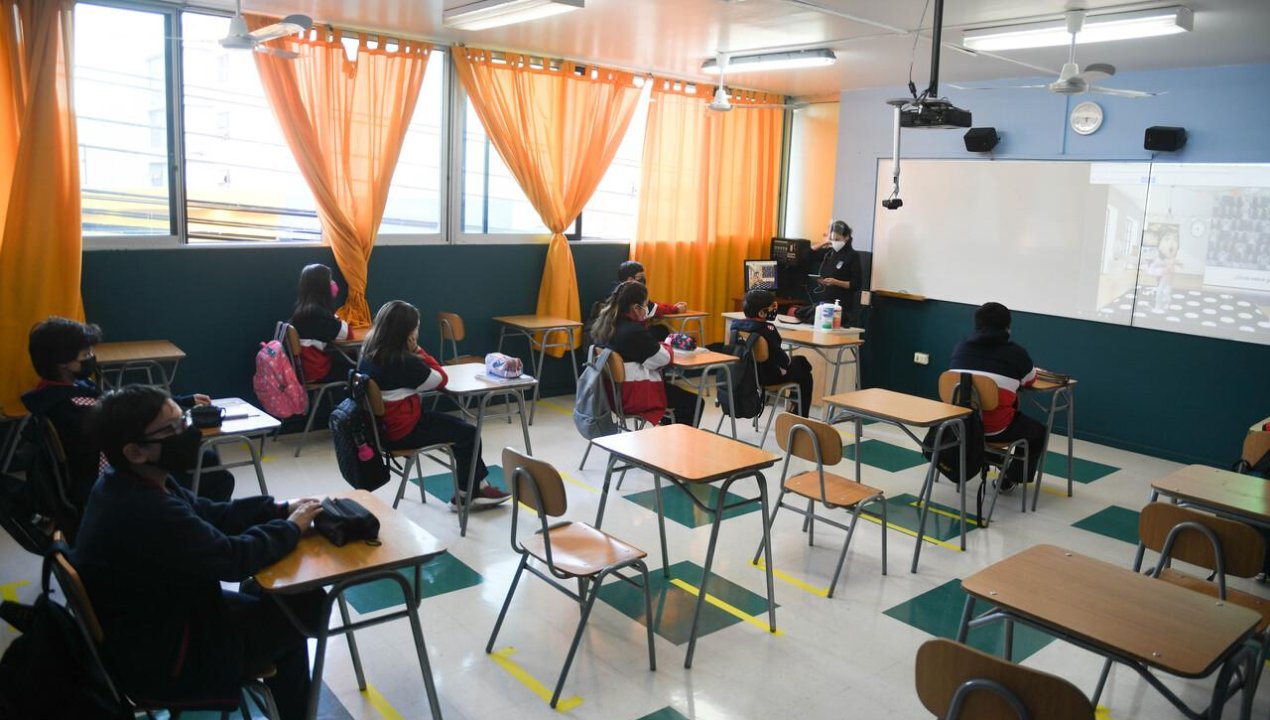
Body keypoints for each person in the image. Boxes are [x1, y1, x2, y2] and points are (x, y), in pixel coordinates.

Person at [73, 385, 324, 720]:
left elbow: (208, 512)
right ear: (134, 451)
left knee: (285, 599)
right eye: (173, 428)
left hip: (160, 620)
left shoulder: (130, 479)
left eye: (184, 420)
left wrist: (278, 509)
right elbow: (232, 559)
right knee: (304, 609)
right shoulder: (144, 508)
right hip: (165, 657)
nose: (189, 431)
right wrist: (290, 528)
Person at [21, 317, 234, 506]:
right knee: (212, 469)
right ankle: (194, 524)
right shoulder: (73, 407)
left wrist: (181, 401)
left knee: (206, 460)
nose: (92, 358)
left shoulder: (54, 393)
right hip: (116, 478)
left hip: (111, 469)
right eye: (85, 354)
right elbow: (128, 425)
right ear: (63, 364)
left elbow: (123, 405)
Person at [356, 300, 509, 510]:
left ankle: (478, 485)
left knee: (459, 429)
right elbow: (441, 379)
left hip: (381, 430)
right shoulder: (403, 362)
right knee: (469, 434)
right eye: (416, 328)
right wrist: (418, 350)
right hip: (403, 431)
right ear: (407, 333)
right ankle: (468, 494)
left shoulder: (369, 353)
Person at [949, 302, 1048, 490]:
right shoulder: (1016, 353)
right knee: (1038, 432)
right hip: (996, 428)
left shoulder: (960, 347)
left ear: (976, 324)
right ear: (1007, 327)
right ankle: (1010, 478)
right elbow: (1030, 381)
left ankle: (988, 457)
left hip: (958, 424)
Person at [590, 280, 698, 426]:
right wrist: (666, 345)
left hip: (611, 394)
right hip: (635, 394)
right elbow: (664, 359)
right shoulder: (633, 332)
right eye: (646, 305)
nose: (647, 309)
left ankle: (666, 432)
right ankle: (676, 438)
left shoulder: (605, 325)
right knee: (694, 402)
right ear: (636, 308)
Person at [731, 289, 814, 416]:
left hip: (745, 375)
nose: (774, 309)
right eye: (772, 307)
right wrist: (787, 362)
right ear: (762, 313)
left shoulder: (735, 326)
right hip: (768, 377)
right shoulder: (767, 330)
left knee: (801, 364)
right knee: (804, 368)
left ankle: (795, 406)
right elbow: (783, 361)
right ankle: (799, 415)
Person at [290, 263, 354, 384]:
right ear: (322, 287)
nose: (333, 284)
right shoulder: (316, 314)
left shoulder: (303, 309)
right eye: (330, 280)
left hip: (307, 368)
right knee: (357, 372)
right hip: (317, 371)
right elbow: (347, 334)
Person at [794, 220, 862, 325]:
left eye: (837, 239)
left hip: (841, 306)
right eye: (832, 239)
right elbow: (806, 255)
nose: (834, 242)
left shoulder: (852, 256)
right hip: (825, 302)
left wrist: (836, 282)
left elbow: (856, 284)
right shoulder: (829, 253)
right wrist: (825, 242)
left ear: (846, 237)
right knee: (801, 313)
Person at [616, 260, 687, 320]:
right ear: (630, 279)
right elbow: (653, 308)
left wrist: (672, 307)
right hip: (633, 330)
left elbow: (651, 304)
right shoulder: (633, 295)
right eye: (640, 277)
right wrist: (676, 309)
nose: (643, 280)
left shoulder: (617, 291)